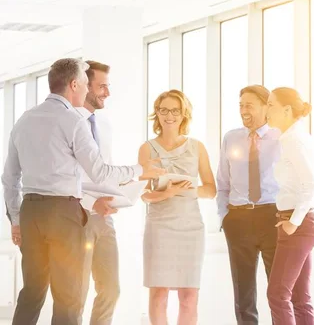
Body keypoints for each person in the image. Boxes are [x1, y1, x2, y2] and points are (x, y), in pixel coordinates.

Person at [2, 58, 165, 325]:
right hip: (63, 212)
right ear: (74, 84)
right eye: (86, 84)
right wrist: (139, 170)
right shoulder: (73, 121)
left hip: (30, 211)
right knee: (68, 296)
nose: (87, 89)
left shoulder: (24, 120)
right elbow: (99, 171)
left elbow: (9, 179)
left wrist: (17, 219)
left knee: (32, 291)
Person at [138, 90, 216, 325]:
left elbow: (211, 190)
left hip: (190, 227)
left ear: (184, 114)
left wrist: (184, 190)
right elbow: (143, 194)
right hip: (160, 226)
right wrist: (168, 192)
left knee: (189, 295)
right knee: (158, 292)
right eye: (164, 110)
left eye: (175, 110)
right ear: (157, 113)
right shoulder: (147, 148)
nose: (169, 115)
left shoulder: (197, 147)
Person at [216, 85, 280, 325]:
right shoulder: (231, 138)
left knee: (278, 291)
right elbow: (222, 182)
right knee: (243, 294)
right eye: (241, 105)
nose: (243, 110)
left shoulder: (280, 137)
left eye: (249, 105)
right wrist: (225, 217)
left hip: (272, 216)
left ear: (266, 107)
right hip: (239, 219)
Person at [265, 87, 314, 325]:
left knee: (277, 294)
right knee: (299, 298)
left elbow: (312, 184)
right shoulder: (293, 138)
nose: (266, 110)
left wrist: (294, 222)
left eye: (270, 105)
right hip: (301, 222)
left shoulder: (293, 140)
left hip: (297, 225)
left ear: (286, 110)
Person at [77, 60, 121, 325]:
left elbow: (105, 168)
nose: (107, 92)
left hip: (105, 218)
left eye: (108, 85)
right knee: (77, 293)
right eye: (101, 86)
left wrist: (119, 193)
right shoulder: (69, 124)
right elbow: (66, 177)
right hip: (78, 217)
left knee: (111, 289)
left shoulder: (103, 124)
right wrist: (94, 201)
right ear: (85, 86)